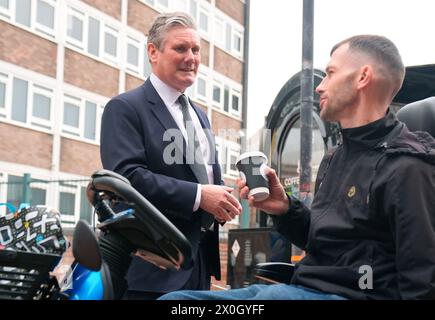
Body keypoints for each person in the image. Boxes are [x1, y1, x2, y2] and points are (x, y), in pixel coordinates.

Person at [159, 34, 435, 300]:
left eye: (330, 73)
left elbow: (421, 277)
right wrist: (284, 208)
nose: (320, 86)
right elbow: (323, 241)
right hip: (303, 288)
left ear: (362, 77)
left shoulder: (406, 165)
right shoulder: (335, 157)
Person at [99, 12, 242, 300]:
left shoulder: (201, 116)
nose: (191, 57)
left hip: (200, 266)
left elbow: (198, 177)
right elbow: (127, 179)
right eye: (180, 48)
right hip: (153, 270)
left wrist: (226, 198)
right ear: (153, 51)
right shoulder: (125, 108)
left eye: (196, 50)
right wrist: (201, 195)